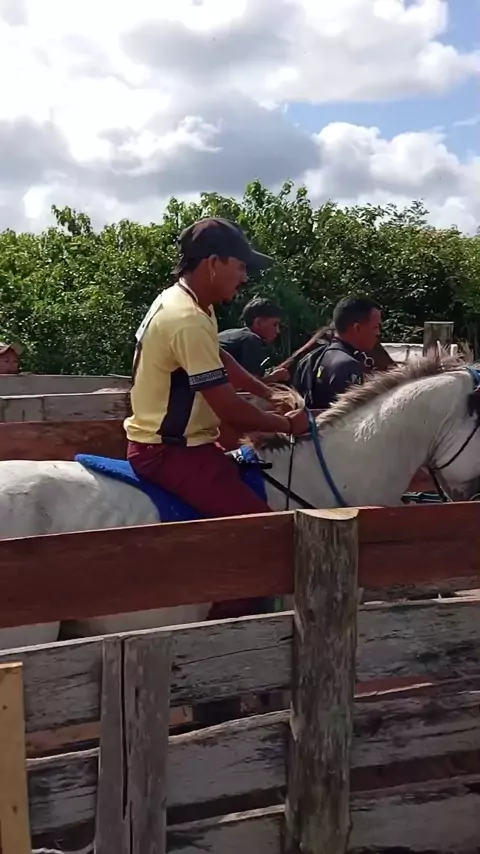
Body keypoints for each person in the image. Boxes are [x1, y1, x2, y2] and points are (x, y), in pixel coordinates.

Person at [124, 217, 309, 519]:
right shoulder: (188, 319)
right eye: (241, 266)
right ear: (213, 263)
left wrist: (268, 393)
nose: (244, 277)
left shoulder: (190, 302)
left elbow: (219, 356)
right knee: (263, 527)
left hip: (183, 446)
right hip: (169, 453)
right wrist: (287, 425)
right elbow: (229, 408)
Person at [288, 296, 383, 409]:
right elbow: (350, 417)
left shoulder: (312, 358)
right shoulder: (348, 365)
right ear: (357, 328)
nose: (378, 333)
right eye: (376, 327)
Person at [219, 297, 289, 383]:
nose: (278, 331)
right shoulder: (252, 339)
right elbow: (248, 385)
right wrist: (273, 377)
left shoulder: (230, 334)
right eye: (274, 324)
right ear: (258, 322)